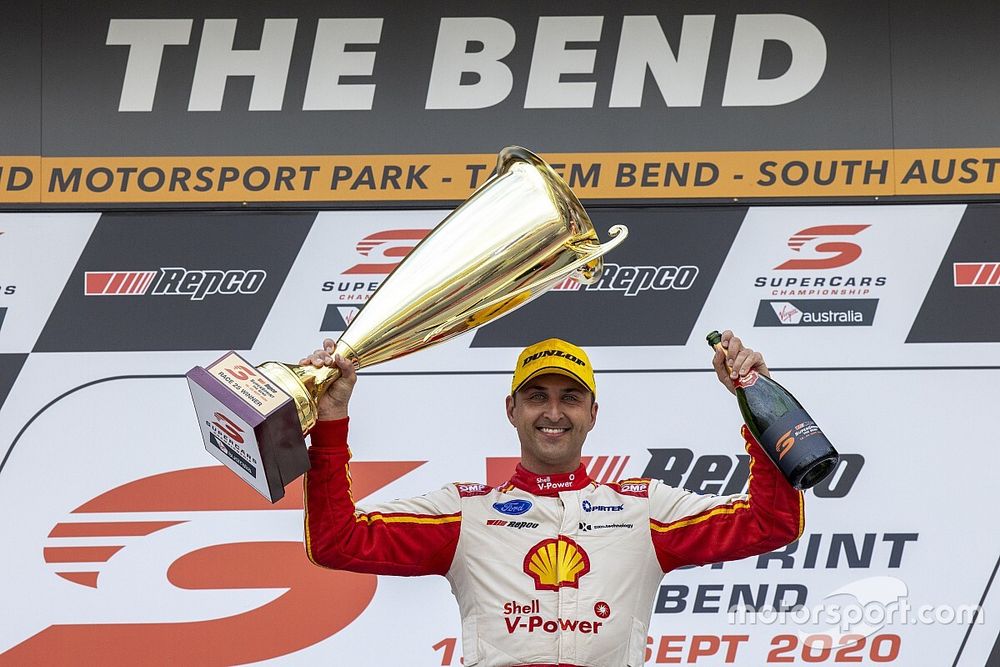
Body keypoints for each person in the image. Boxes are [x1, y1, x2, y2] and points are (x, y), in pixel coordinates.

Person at [301, 332, 804, 667]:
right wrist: (330, 420)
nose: (554, 412)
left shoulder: (644, 510)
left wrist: (757, 399)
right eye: (537, 396)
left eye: (571, 397)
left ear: (593, 413)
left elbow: (770, 522)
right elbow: (337, 541)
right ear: (512, 410)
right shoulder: (466, 512)